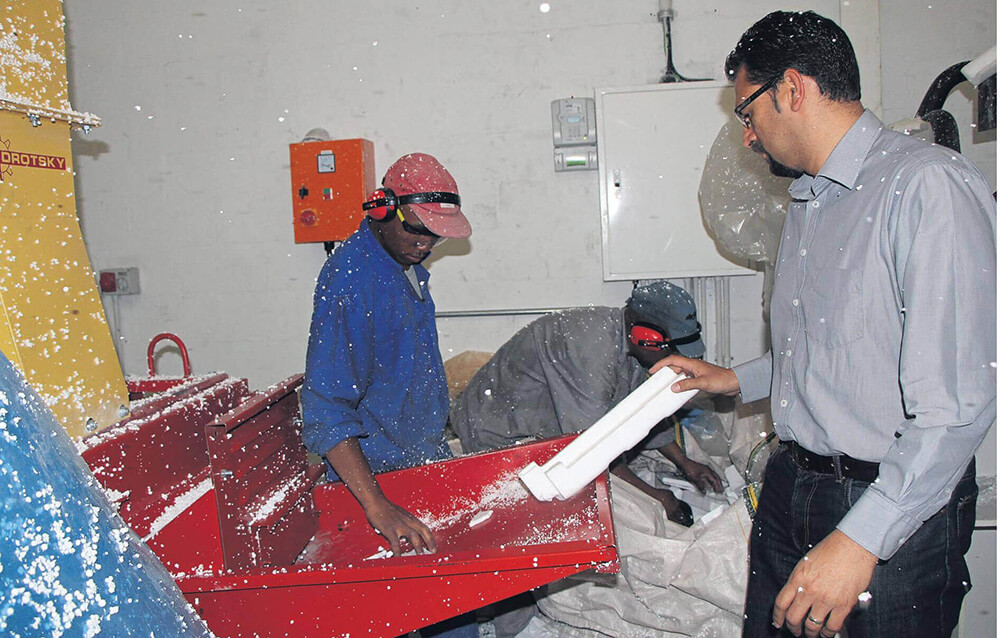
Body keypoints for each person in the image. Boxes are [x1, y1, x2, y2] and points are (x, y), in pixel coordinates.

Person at [656, 11, 996, 638]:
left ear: (792, 88)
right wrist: (735, 378)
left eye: (748, 113)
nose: (749, 137)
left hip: (889, 502)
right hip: (795, 485)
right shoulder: (813, 201)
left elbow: (955, 406)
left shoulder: (925, 188)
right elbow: (835, 347)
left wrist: (862, 540)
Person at [301, 152, 471, 558]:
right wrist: (377, 507)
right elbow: (326, 409)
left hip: (417, 458)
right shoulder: (353, 282)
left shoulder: (403, 263)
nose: (425, 244)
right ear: (382, 210)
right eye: (417, 230)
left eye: (435, 235)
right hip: (379, 476)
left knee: (451, 602)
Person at [451, 280, 724, 526]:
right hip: (496, 436)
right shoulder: (590, 349)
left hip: (550, 424)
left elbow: (646, 409)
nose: (677, 360)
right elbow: (593, 449)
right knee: (589, 517)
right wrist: (657, 498)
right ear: (646, 336)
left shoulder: (634, 345)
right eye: (673, 351)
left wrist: (685, 462)